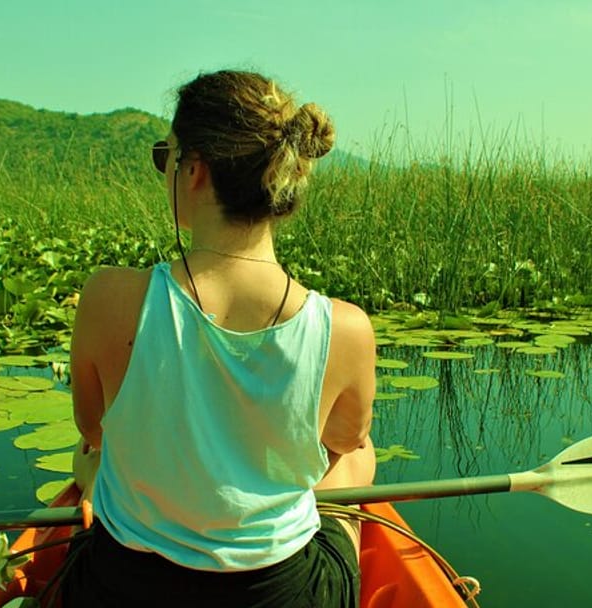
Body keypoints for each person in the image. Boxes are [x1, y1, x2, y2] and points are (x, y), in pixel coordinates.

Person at [61, 70, 377, 607]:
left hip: (122, 590)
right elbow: (344, 444)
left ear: (195, 171)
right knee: (361, 450)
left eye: (167, 156)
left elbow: (92, 426)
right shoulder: (344, 329)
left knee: (92, 453)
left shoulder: (108, 298)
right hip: (281, 595)